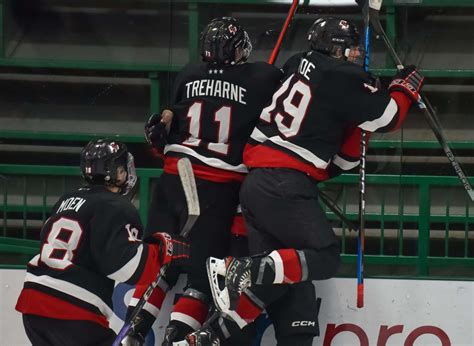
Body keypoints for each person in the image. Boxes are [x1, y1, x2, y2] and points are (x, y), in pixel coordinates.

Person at [203, 16, 425, 345]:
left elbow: (343, 153)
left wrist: (359, 114)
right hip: (284, 183)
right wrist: (403, 88)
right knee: (324, 256)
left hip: (256, 186)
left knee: (275, 278)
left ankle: (209, 335)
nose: (354, 55)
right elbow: (388, 116)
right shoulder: (343, 75)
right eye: (350, 49)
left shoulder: (297, 63)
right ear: (336, 50)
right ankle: (239, 268)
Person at [125, 16, 282, 345]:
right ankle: (175, 341)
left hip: (172, 180)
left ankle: (132, 333)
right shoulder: (262, 77)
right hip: (213, 187)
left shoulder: (188, 73)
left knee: (159, 264)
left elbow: (169, 124)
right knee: (199, 278)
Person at [15, 139, 190, 346]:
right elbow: (127, 267)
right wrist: (162, 250)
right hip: (72, 311)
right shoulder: (116, 206)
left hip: (33, 307)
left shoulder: (66, 200)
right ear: (117, 172)